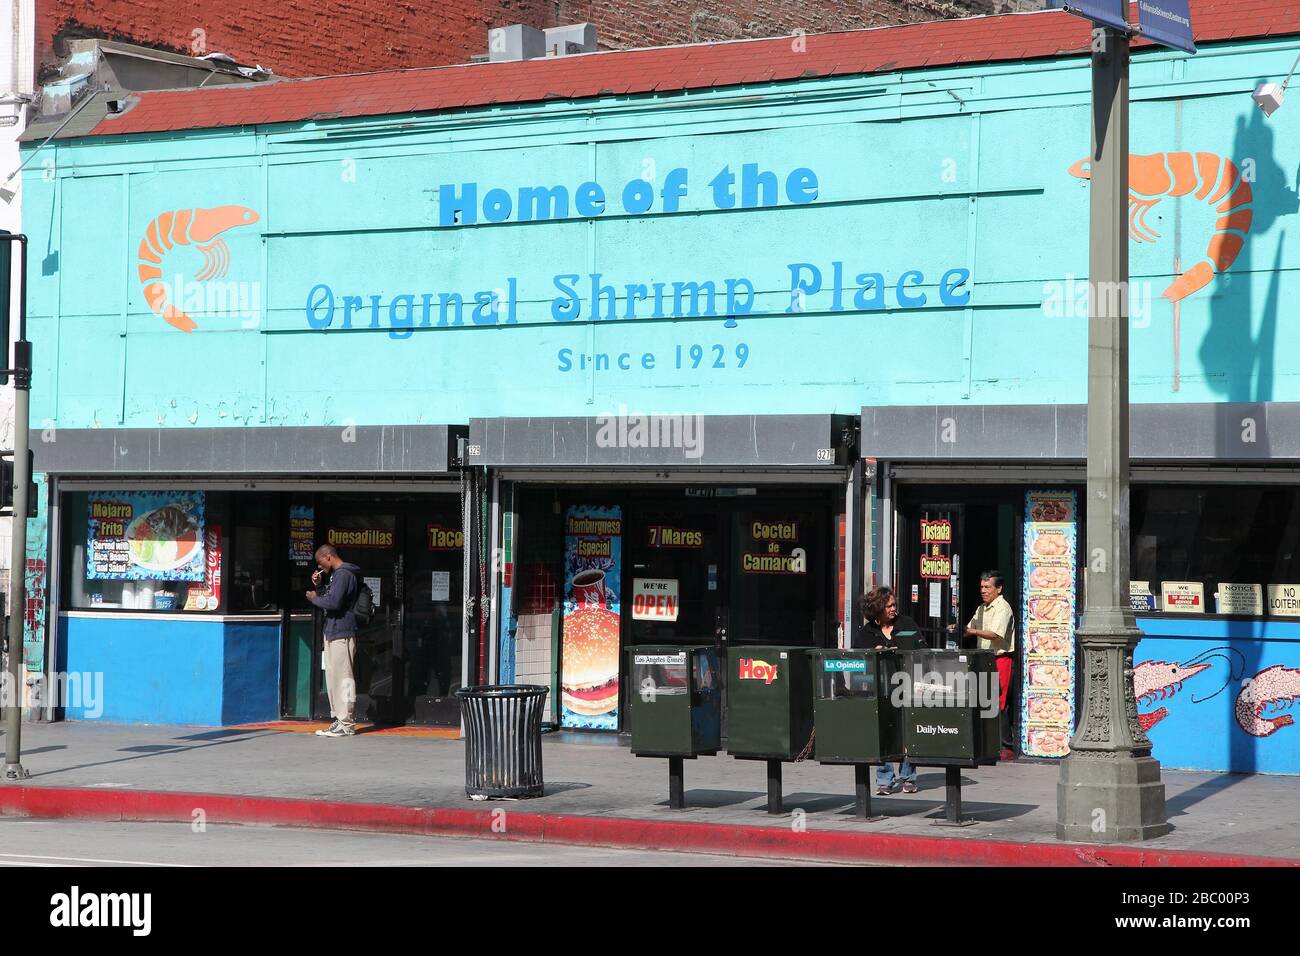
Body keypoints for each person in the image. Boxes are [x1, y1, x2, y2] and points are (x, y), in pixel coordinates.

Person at [856, 585, 924, 795]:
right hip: (880, 689)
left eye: (894, 605)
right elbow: (859, 659)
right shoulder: (867, 632)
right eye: (889, 606)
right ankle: (885, 779)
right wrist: (872, 652)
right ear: (877, 609)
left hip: (905, 686)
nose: (894, 609)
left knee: (906, 732)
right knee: (882, 732)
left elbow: (922, 649)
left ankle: (908, 777)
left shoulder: (906, 623)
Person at [306, 544, 363, 738]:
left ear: (328, 557)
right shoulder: (336, 576)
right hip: (333, 631)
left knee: (344, 677)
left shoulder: (343, 574)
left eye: (320, 561)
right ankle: (340, 720)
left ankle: (346, 722)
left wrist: (314, 597)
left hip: (342, 632)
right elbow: (331, 599)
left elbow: (333, 603)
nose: (319, 566)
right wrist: (320, 587)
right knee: (333, 677)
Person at [964, 570, 1016, 758]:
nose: (983, 591)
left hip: (1000, 658)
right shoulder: (981, 608)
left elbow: (994, 634)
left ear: (999, 589)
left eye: (988, 587)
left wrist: (972, 631)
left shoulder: (1003, 608)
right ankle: (988, 743)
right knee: (985, 700)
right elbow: (970, 628)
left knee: (999, 701)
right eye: (982, 587)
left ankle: (1006, 746)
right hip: (983, 658)